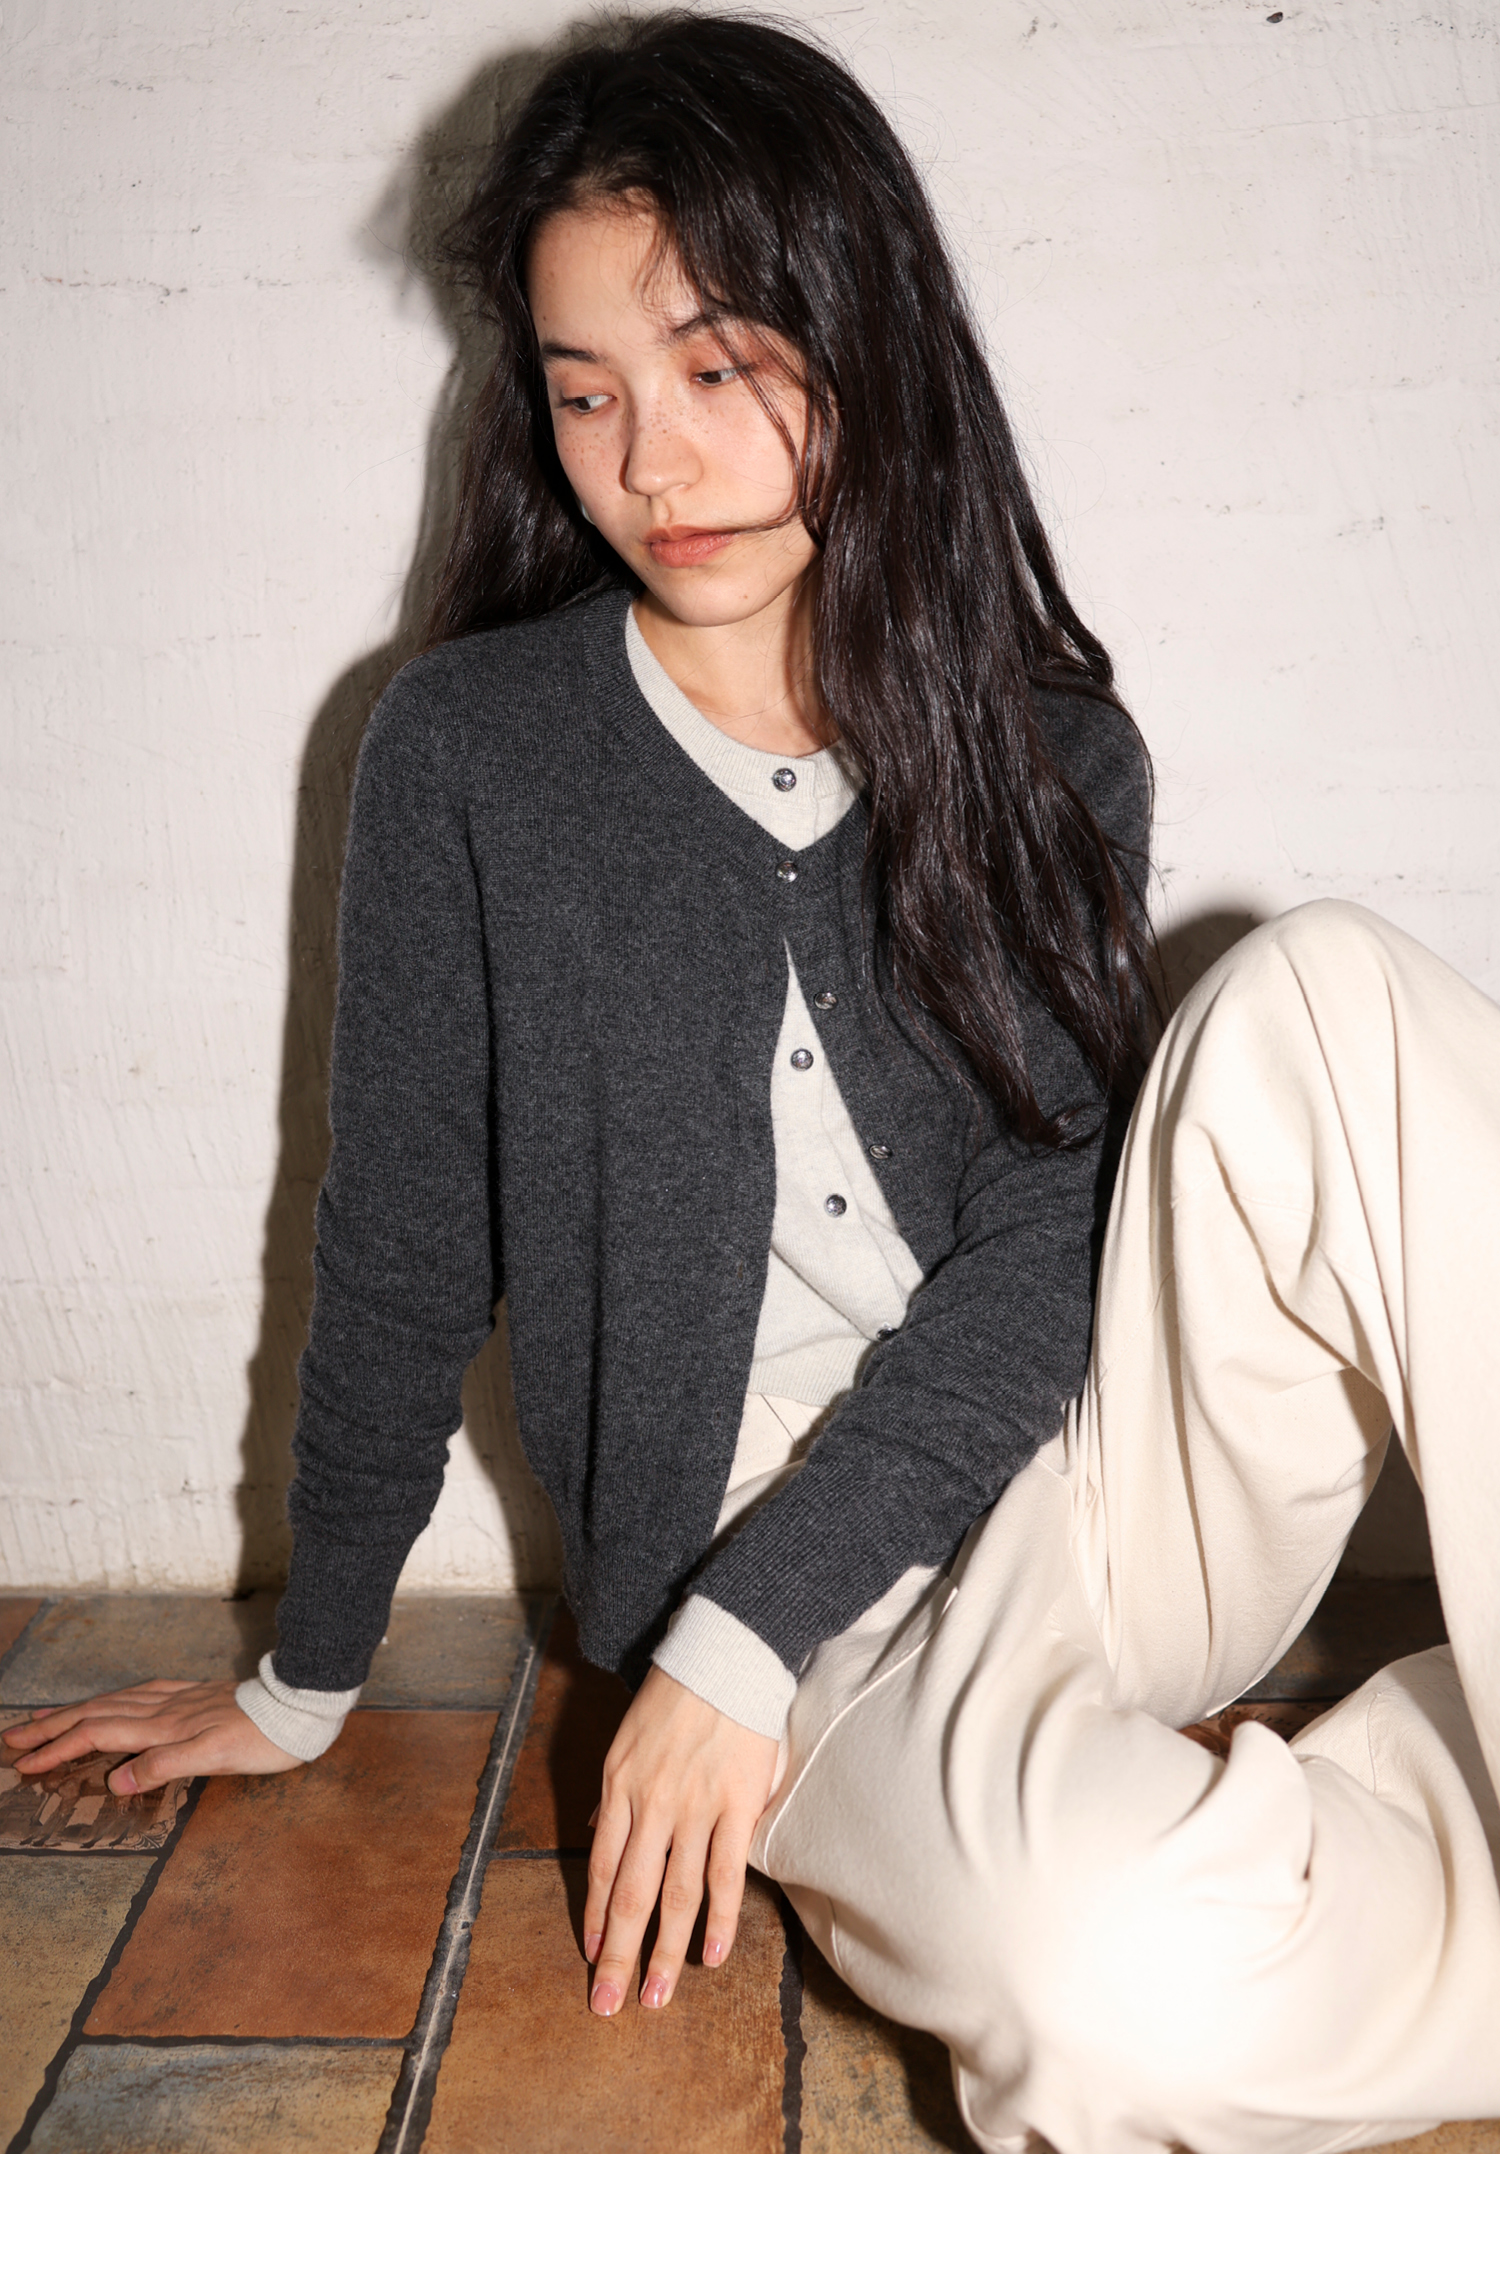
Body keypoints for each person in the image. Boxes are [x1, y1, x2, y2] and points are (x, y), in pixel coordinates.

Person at [8, 14, 1500, 2154]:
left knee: (1328, 1002)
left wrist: (735, 1647)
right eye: (586, 391)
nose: (653, 464)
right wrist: (309, 1669)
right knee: (1106, 2007)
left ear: (864, 344)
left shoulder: (1047, 746)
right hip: (817, 1635)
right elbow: (405, 1225)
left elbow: (1053, 1234)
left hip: (1106, 1483)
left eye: (720, 368)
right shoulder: (472, 756)